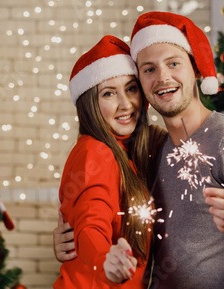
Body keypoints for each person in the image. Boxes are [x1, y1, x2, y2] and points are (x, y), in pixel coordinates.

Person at [54, 11, 224, 289]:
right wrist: (70, 242)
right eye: (149, 69)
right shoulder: (150, 146)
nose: (162, 77)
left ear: (195, 69)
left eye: (173, 63)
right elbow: (92, 209)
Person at [53, 35, 166, 289]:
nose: (125, 104)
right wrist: (104, 260)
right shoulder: (95, 152)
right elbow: (90, 224)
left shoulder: (131, 149)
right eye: (108, 94)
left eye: (131, 88)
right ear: (90, 105)